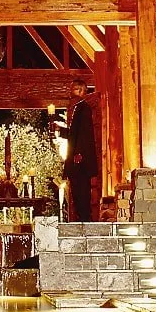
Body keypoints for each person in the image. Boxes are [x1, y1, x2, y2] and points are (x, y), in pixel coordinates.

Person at [59, 79, 99, 221]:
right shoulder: (77, 108)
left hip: (80, 161)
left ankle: (85, 221)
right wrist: (60, 130)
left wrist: (78, 153)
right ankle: (81, 219)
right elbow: (74, 134)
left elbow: (84, 133)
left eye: (75, 89)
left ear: (82, 91)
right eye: (72, 88)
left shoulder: (84, 108)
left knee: (82, 192)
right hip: (77, 159)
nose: (72, 92)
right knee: (76, 193)